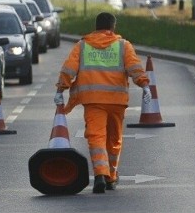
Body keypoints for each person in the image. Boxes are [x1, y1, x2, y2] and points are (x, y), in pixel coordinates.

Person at [54, 12, 151, 193]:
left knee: (96, 137)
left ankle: (100, 174)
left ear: (96, 26)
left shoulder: (82, 46)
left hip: (93, 100)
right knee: (114, 140)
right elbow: (134, 67)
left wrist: (60, 90)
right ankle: (111, 177)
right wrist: (145, 86)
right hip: (116, 101)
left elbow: (69, 69)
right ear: (113, 27)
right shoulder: (123, 46)